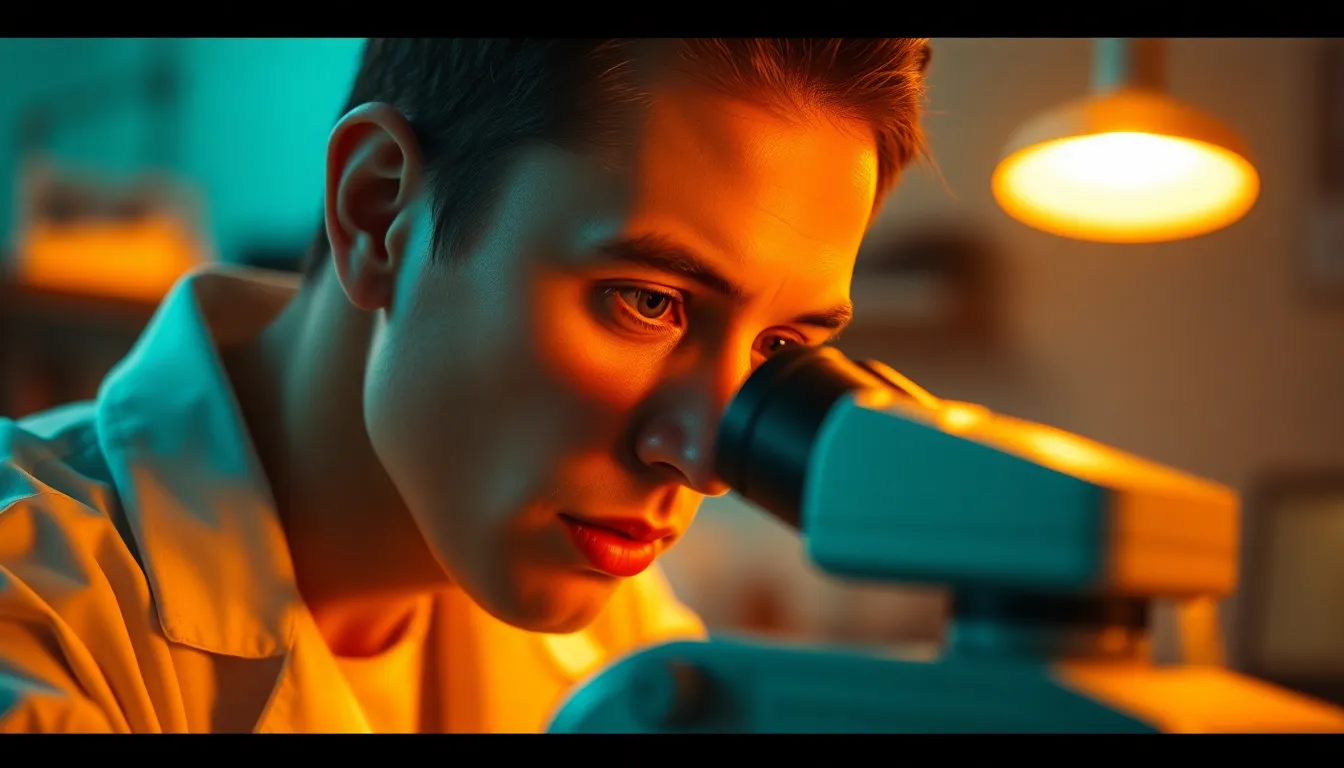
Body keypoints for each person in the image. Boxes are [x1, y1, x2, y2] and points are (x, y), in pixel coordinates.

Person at [0, 37, 932, 733]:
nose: (701, 460)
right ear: (378, 213)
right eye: (649, 302)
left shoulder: (621, 646)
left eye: (780, 349)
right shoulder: (34, 615)